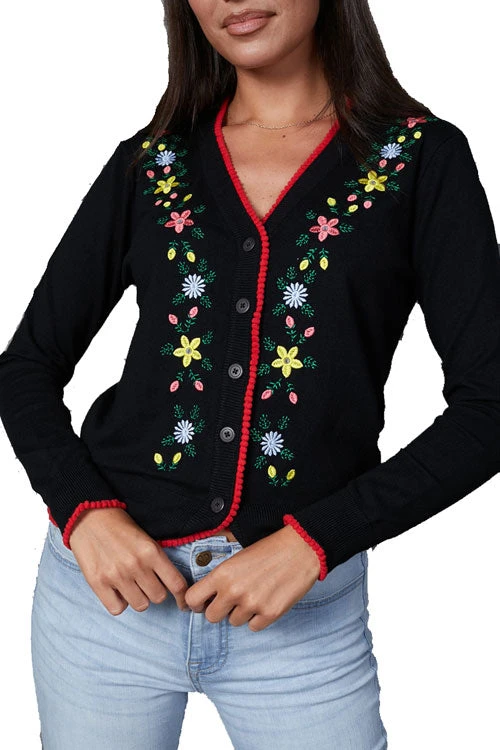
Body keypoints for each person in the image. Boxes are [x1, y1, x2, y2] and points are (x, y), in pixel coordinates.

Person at [0, 1, 498, 748]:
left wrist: (317, 540)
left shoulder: (417, 159)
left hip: (302, 620)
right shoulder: (153, 164)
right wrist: (83, 510)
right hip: (104, 606)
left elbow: (490, 407)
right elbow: (26, 366)